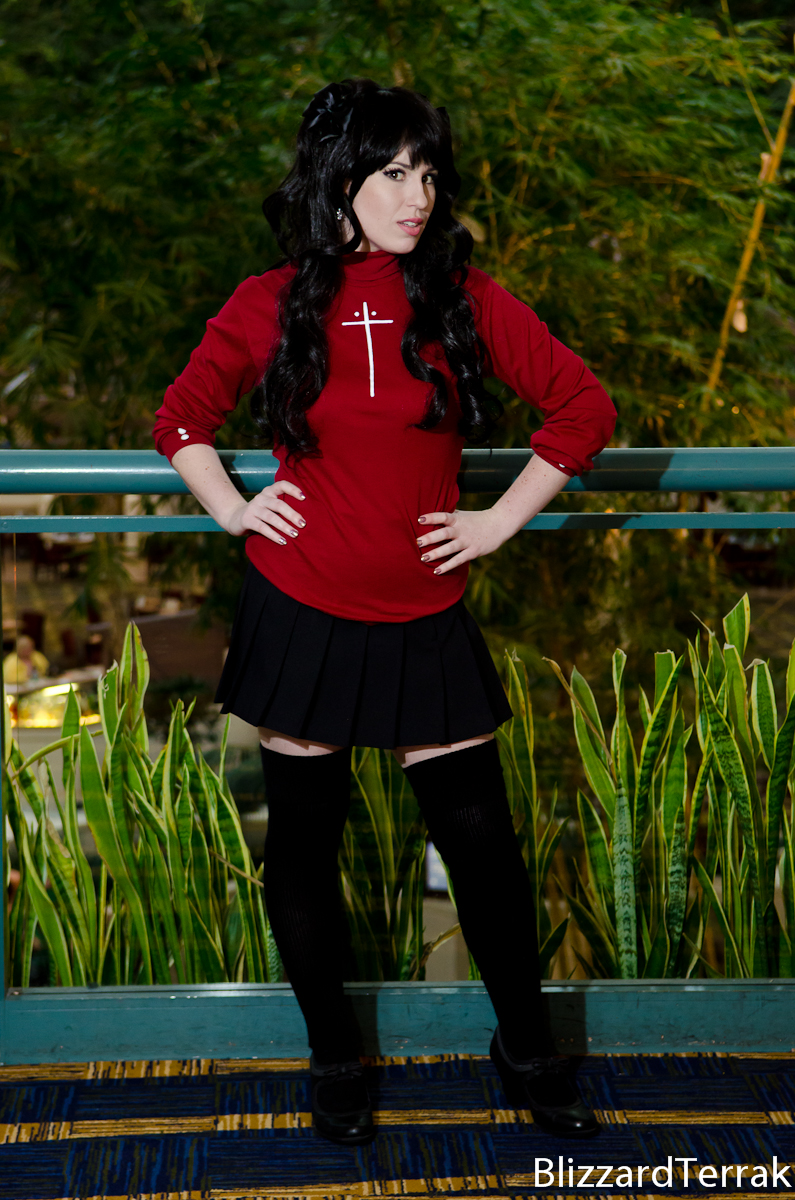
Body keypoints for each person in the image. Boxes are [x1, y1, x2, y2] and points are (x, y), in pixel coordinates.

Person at [153, 78, 616, 1145]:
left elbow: (583, 407)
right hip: (301, 604)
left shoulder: (461, 296)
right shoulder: (268, 300)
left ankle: (525, 1049)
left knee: (483, 846)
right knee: (305, 847)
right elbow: (181, 417)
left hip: (425, 610)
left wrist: (496, 523)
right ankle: (334, 1059)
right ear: (340, 181)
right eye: (395, 173)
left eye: (429, 174)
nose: (419, 196)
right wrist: (234, 510)